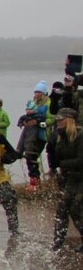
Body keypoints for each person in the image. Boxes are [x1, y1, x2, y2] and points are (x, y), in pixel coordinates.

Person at [51, 107, 83, 251]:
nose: (57, 122)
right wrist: (52, 143)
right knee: (62, 209)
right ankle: (57, 242)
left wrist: (62, 164)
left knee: (76, 209)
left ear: (69, 120)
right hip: (70, 178)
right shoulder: (61, 136)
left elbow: (81, 161)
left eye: (60, 119)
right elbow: (56, 159)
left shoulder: (80, 135)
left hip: (80, 178)